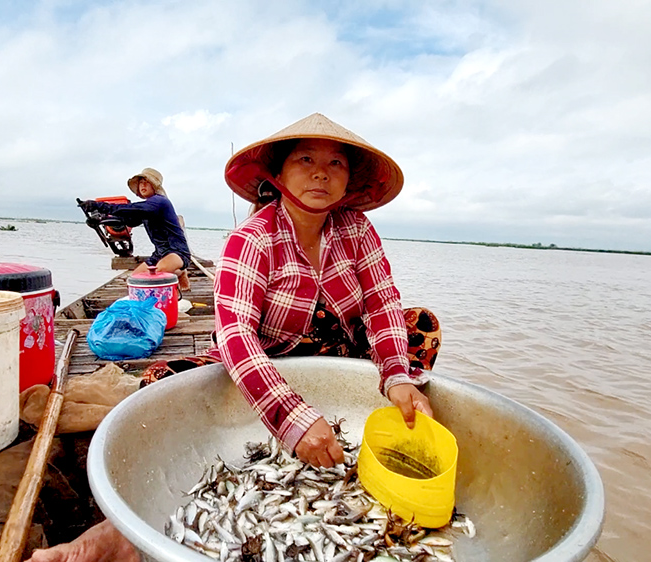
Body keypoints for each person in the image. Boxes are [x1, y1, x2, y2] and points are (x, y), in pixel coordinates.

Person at [142, 112, 442, 468]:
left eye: (336, 162)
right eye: (306, 159)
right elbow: (235, 334)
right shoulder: (252, 239)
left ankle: (393, 412)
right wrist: (292, 417)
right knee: (157, 381)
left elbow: (382, 303)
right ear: (279, 175)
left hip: (342, 350)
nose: (321, 172)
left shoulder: (358, 230)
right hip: (272, 355)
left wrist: (395, 374)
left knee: (421, 325)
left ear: (348, 182)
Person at [79, 167, 192, 291]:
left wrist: (98, 206)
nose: (143, 185)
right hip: (159, 254)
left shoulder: (159, 202)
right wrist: (100, 219)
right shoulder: (146, 208)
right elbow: (126, 220)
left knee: (156, 277)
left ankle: (179, 273)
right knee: (134, 280)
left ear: (154, 186)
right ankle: (178, 272)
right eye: (140, 183)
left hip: (176, 252)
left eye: (147, 182)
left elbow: (130, 209)